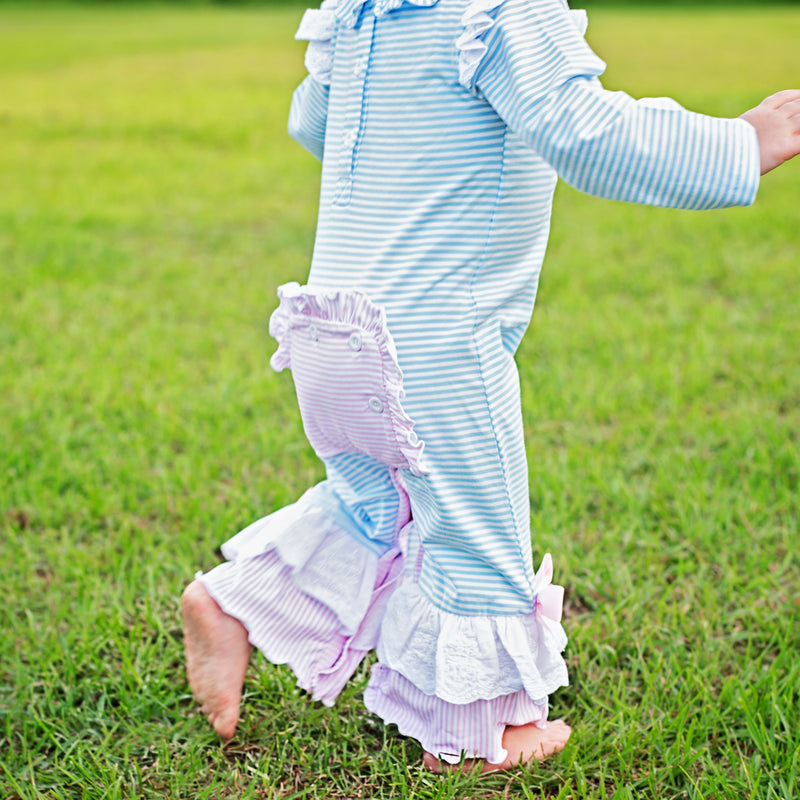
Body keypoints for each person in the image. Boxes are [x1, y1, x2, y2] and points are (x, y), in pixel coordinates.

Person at [182, 0, 800, 773]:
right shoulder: (501, 11)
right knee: (476, 531)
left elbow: (314, 120)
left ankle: (236, 601)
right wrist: (741, 143)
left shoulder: (359, 11)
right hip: (436, 337)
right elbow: (587, 132)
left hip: (328, 319)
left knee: (372, 506)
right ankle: (484, 731)